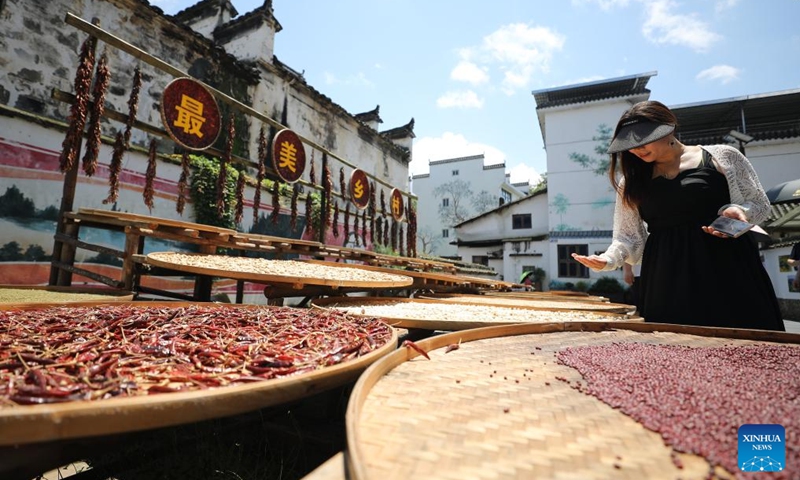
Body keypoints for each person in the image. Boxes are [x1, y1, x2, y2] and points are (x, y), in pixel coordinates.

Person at [572, 100, 784, 331]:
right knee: (674, 350)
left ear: (668, 128)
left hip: (728, 263)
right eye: (630, 145)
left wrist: (740, 211)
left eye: (644, 140)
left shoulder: (723, 156)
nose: (637, 149)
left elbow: (760, 204)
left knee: (746, 340)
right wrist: (608, 260)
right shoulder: (630, 182)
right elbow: (627, 236)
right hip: (666, 273)